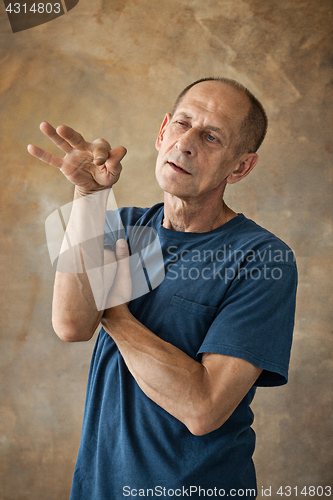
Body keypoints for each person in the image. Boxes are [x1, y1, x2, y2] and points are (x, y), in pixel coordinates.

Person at [28, 78, 297, 499]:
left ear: (240, 167)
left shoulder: (262, 258)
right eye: (182, 124)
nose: (186, 144)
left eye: (210, 136)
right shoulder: (123, 225)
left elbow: (204, 408)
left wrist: (114, 311)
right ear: (162, 131)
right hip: (99, 487)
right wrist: (88, 196)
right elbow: (72, 324)